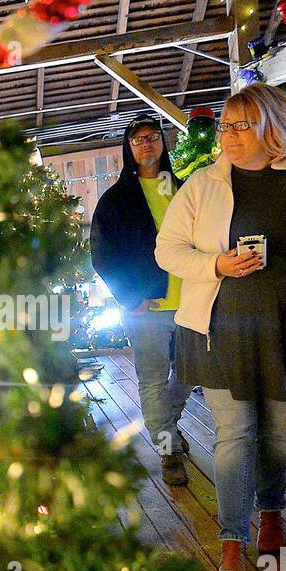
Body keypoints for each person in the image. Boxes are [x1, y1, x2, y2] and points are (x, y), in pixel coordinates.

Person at [156, 83, 286, 571]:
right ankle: (231, 540)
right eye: (225, 125)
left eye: (243, 125)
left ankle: (271, 513)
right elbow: (167, 250)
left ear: (272, 128)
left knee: (278, 435)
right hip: (217, 328)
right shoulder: (202, 184)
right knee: (234, 435)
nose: (230, 135)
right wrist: (215, 264)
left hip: (283, 329)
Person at [90, 115, 194, 486]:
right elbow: (102, 254)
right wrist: (129, 296)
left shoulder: (181, 189)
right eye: (137, 139)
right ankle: (168, 450)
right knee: (152, 381)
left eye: (152, 137)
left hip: (191, 304)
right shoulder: (116, 200)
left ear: (163, 144)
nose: (146, 144)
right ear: (128, 148)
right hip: (144, 307)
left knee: (188, 375)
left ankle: (167, 426)